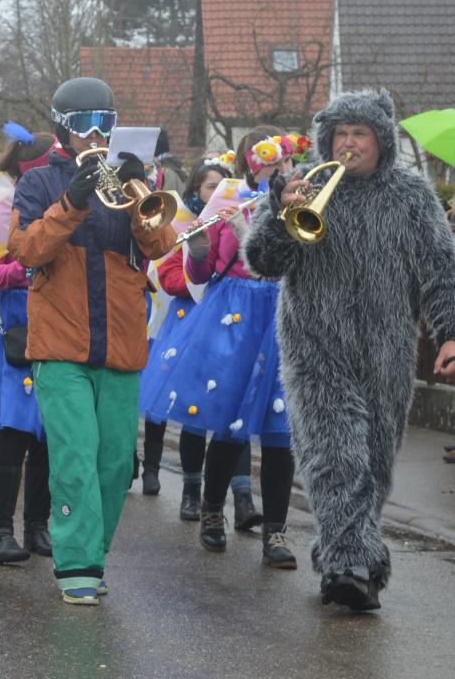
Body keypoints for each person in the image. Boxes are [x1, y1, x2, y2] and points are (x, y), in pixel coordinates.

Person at [245, 89, 455, 611]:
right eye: (340, 133)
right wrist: (280, 213)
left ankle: (352, 562)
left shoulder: (412, 195)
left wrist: (450, 332)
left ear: (381, 140)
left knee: (375, 464)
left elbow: (441, 271)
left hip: (388, 353)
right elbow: (262, 261)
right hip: (314, 348)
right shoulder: (302, 185)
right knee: (334, 458)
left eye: (360, 133)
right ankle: (351, 568)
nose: (349, 143)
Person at [8, 77, 175, 605]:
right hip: (61, 345)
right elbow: (26, 251)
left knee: (116, 463)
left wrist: (138, 189)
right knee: (76, 456)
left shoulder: (130, 181)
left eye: (106, 122)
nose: (96, 134)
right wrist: (72, 202)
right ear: (63, 128)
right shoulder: (37, 183)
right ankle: (76, 564)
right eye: (85, 124)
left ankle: (92, 554)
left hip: (121, 341)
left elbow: (161, 243)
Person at [160, 128, 298, 571]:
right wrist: (198, 249)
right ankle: (212, 509)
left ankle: (275, 531)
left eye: (285, 161)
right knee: (229, 421)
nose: (281, 169)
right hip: (235, 314)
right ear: (249, 163)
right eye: (271, 162)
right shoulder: (230, 196)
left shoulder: (303, 195)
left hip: (283, 313)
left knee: (280, 429)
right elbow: (203, 273)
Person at [138, 161, 262, 534]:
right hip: (192, 323)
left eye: (224, 185)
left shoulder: (249, 210)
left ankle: (243, 497)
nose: (219, 192)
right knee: (195, 408)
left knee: (234, 410)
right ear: (198, 190)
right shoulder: (186, 218)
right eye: (211, 187)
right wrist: (200, 278)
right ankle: (191, 490)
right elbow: (168, 273)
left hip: (236, 323)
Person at [0, 123, 55, 563]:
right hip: (18, 330)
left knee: (48, 437)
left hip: (58, 327)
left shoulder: (62, 201)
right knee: (15, 434)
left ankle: (38, 526)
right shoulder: (6, 201)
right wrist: (27, 269)